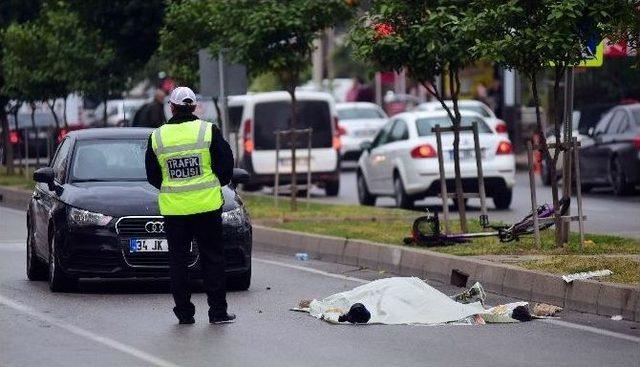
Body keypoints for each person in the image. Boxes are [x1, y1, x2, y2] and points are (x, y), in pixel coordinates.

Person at [145, 86, 235, 325]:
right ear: (194, 107)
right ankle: (217, 313)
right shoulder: (207, 130)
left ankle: (184, 313)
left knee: (178, 261)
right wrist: (217, 182)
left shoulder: (158, 136)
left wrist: (173, 187)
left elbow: (153, 175)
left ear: (172, 108)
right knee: (212, 259)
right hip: (207, 208)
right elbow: (226, 163)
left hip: (175, 212)